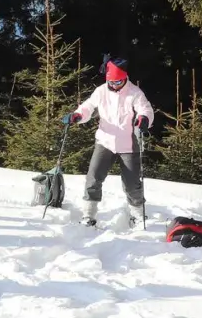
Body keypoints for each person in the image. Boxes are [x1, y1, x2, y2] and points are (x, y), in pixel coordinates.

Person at [63, 57, 155, 229]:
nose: (114, 85)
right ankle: (88, 215)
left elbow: (146, 109)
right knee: (93, 178)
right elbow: (88, 107)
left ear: (125, 78)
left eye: (118, 81)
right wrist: (77, 115)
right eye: (111, 82)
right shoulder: (101, 91)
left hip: (128, 144)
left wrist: (144, 119)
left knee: (132, 183)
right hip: (104, 141)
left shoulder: (135, 92)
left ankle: (137, 215)